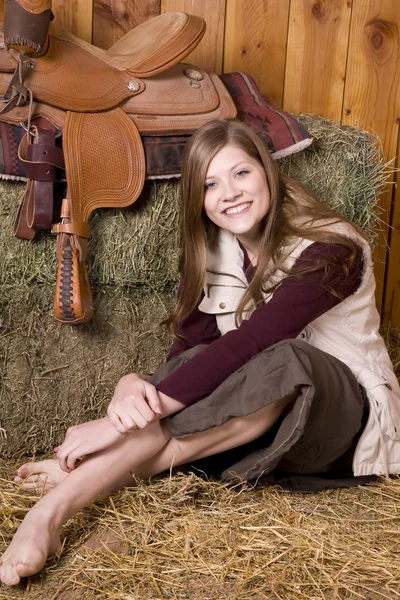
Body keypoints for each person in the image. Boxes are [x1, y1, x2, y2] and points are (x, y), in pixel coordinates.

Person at [1, 118, 400, 586]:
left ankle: (52, 512)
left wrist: (115, 425)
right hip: (260, 428)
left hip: (343, 428)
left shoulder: (333, 248)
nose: (228, 192)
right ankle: (93, 479)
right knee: (209, 372)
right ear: (198, 199)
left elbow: (256, 341)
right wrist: (133, 385)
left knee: (284, 357)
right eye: (210, 184)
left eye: (241, 174)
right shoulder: (214, 253)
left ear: (268, 172)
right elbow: (192, 353)